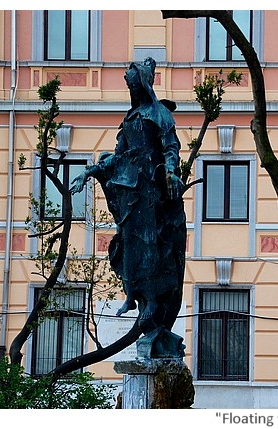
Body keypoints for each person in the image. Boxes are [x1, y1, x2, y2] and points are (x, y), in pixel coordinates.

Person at [70, 57, 186, 358]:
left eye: (130, 78)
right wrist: (90, 171)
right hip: (131, 196)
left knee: (152, 252)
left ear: (141, 82)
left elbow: (171, 147)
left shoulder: (158, 113)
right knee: (128, 248)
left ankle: (151, 309)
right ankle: (135, 296)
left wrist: (172, 171)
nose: (126, 81)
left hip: (152, 196)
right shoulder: (131, 118)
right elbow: (118, 155)